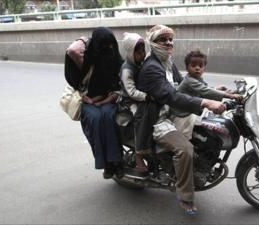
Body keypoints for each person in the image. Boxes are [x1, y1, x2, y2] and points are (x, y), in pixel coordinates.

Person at [136, 24, 226, 215]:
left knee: (209, 129)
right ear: (152, 43)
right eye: (163, 40)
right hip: (157, 118)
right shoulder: (152, 67)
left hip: (171, 112)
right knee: (185, 149)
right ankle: (185, 196)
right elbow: (172, 96)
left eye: (170, 39)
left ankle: (198, 167)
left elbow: (183, 84)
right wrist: (206, 102)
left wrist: (216, 92)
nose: (169, 43)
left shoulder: (167, 62)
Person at [66, 27, 124, 179]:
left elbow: (120, 85)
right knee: (95, 119)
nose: (108, 49)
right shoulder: (86, 61)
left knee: (108, 117)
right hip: (87, 99)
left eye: (110, 45)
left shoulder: (115, 59)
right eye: (103, 45)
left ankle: (116, 162)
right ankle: (105, 163)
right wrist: (84, 39)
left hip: (109, 98)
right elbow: (72, 51)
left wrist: (106, 99)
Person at [118, 32, 148, 173]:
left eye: (143, 50)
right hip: (130, 102)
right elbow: (131, 92)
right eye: (138, 51)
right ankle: (139, 155)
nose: (142, 54)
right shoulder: (127, 69)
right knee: (141, 120)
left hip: (143, 98)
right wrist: (147, 96)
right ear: (130, 52)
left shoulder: (141, 63)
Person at [178, 50, 243, 104]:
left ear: (204, 69)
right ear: (187, 68)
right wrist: (231, 96)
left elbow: (205, 88)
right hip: (181, 113)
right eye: (193, 65)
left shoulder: (199, 79)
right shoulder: (189, 80)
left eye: (200, 66)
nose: (197, 68)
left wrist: (220, 90)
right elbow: (206, 91)